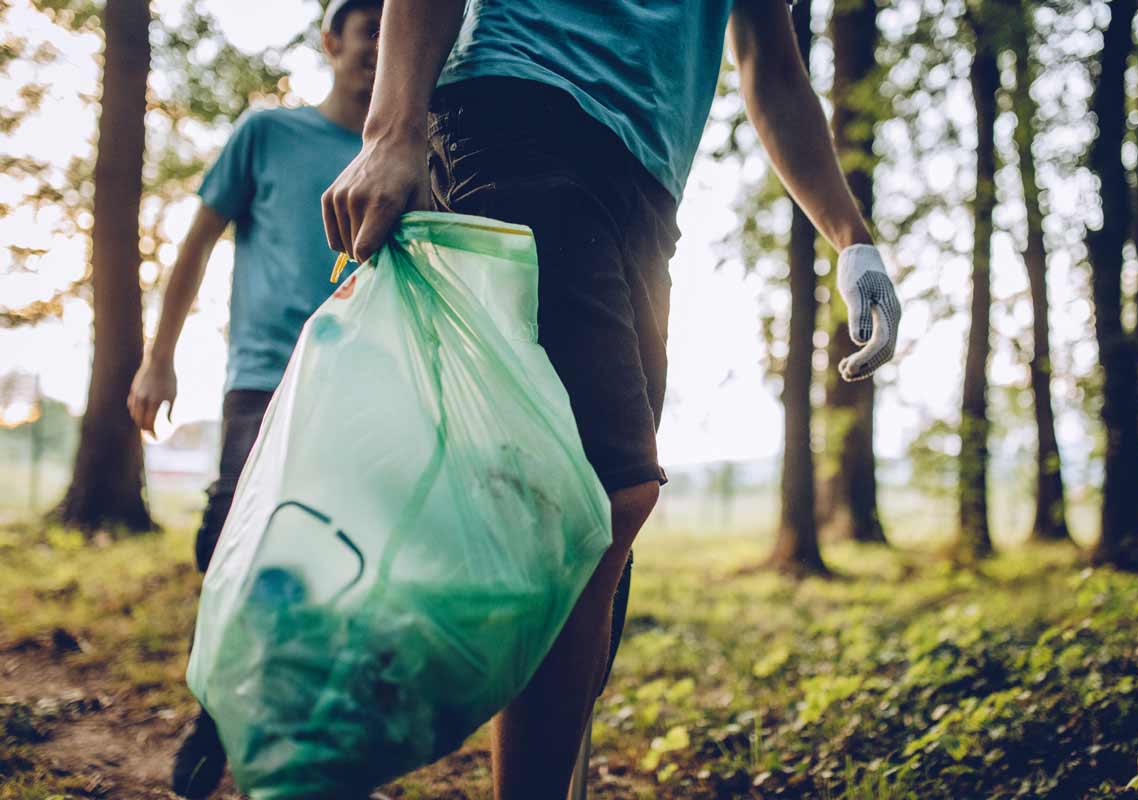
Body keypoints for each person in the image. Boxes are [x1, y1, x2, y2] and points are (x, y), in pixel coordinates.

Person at [322, 1, 904, 797]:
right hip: (520, 106)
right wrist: (391, 129)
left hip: (647, 183)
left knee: (590, 525)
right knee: (601, 495)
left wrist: (852, 238)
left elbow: (771, 62)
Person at [126, 1, 383, 796]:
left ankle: (304, 726)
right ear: (332, 42)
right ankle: (217, 707)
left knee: (340, 551)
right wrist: (157, 358)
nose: (379, 49)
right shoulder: (268, 135)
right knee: (229, 533)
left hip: (361, 383)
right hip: (264, 375)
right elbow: (197, 241)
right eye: (367, 33)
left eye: (393, 35)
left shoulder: (409, 152)